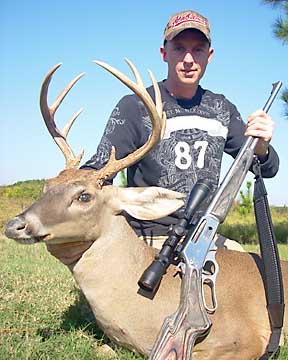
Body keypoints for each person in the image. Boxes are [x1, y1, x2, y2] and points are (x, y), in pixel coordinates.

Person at [47, 10, 279, 265]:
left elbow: (267, 168)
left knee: (255, 279)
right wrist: (69, 186)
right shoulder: (135, 106)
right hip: (149, 236)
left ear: (209, 56)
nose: (188, 59)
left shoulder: (222, 109)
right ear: (164, 53)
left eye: (198, 50)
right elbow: (100, 168)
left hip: (204, 235)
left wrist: (262, 146)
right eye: (179, 48)